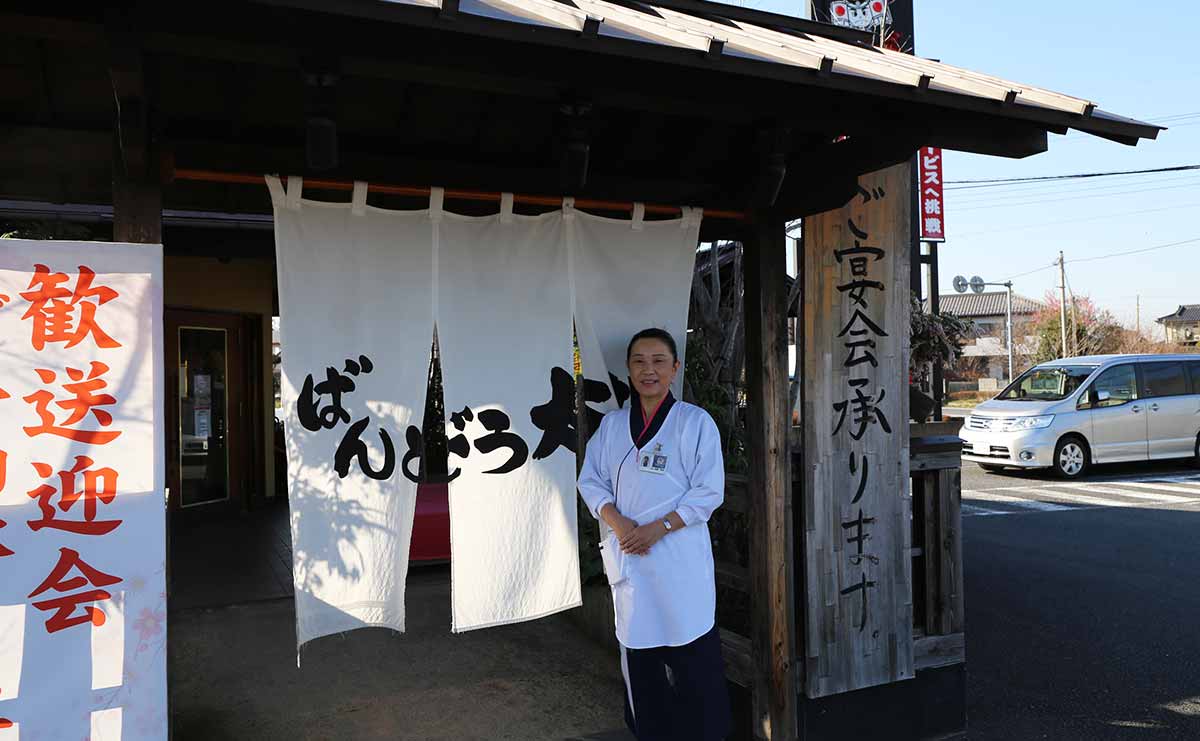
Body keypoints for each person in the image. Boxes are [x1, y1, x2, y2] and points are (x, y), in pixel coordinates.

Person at [577, 327, 731, 741]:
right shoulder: (612, 427)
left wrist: (659, 528)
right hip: (631, 562)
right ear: (628, 370)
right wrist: (618, 522)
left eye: (659, 361)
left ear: (674, 368)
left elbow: (709, 491)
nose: (649, 370)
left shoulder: (694, 423)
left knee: (696, 667)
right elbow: (590, 481)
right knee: (641, 669)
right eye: (639, 362)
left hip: (679, 564)